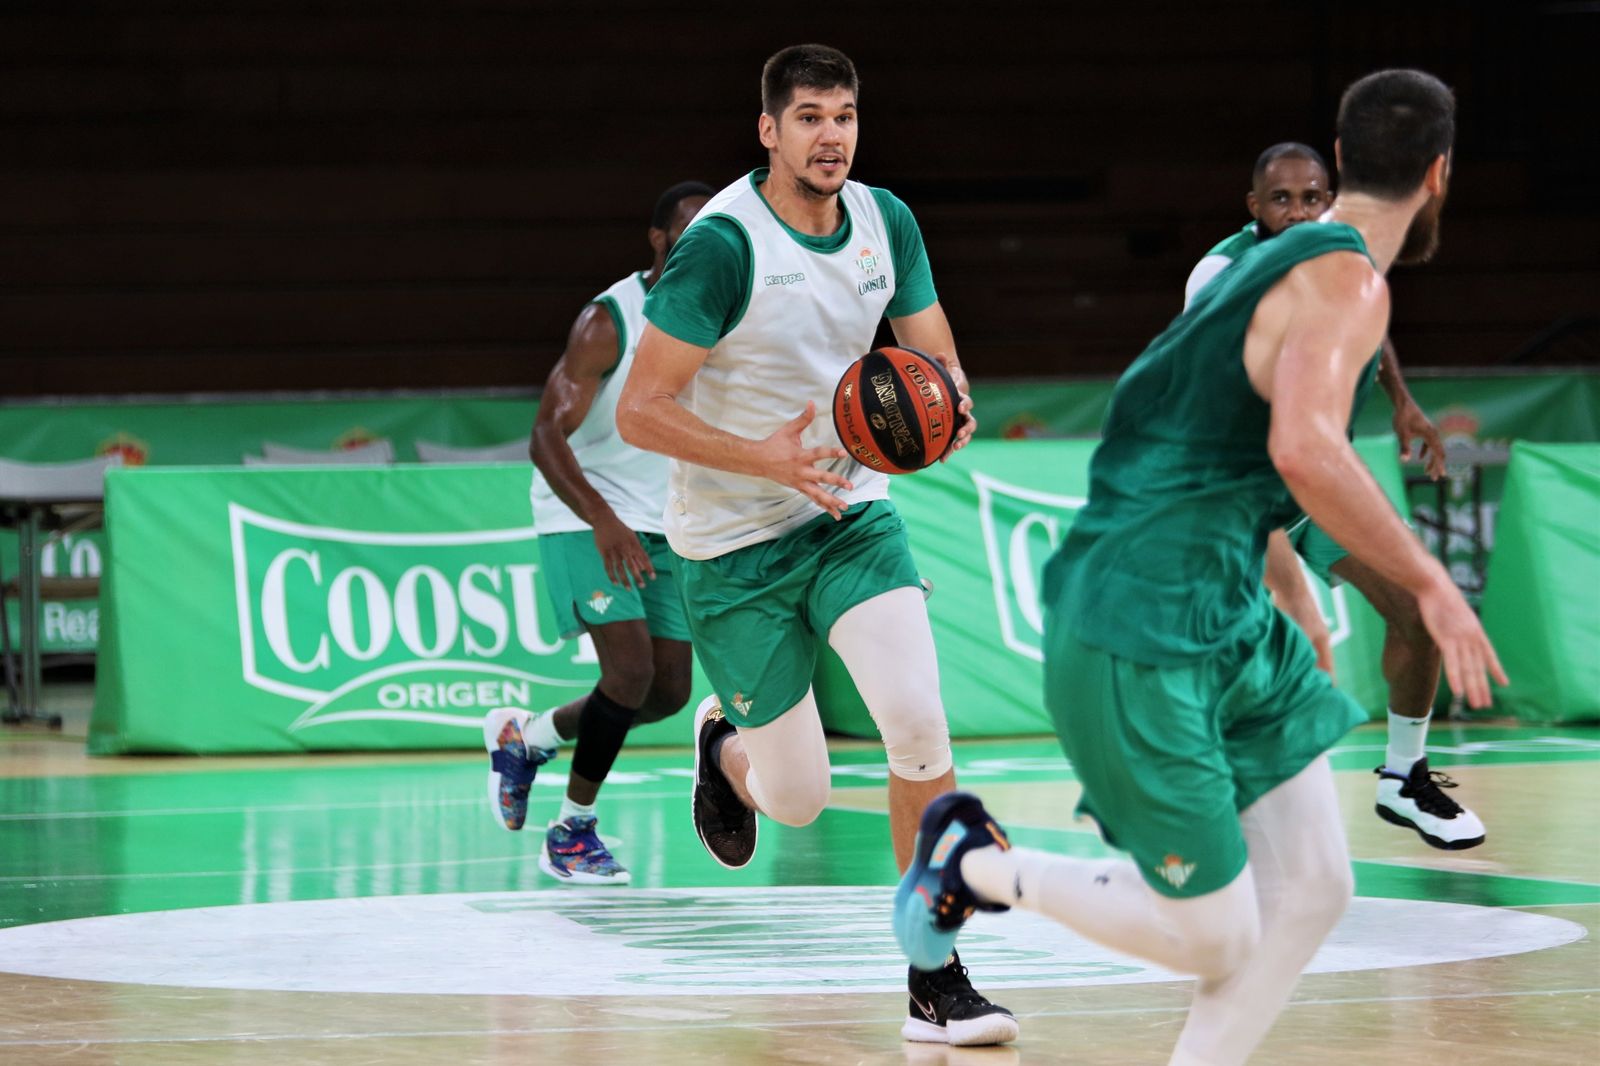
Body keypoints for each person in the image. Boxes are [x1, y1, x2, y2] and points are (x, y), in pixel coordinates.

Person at [896, 70, 1507, 1065]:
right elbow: (1305, 450)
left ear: (1341, 162)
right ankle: (972, 863)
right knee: (1212, 934)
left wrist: (1295, 598)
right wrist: (1432, 583)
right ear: (1439, 174)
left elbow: (1231, 452)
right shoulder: (1345, 280)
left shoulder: (1272, 266)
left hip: (1223, 603)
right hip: (1142, 613)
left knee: (1316, 888)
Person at [616, 44, 1016, 1048]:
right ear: (769, 130)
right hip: (731, 544)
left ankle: (934, 974)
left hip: (848, 517)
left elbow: (933, 353)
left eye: (843, 116)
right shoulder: (723, 245)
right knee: (796, 801)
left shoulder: (886, 220)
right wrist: (760, 456)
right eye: (808, 117)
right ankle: (724, 747)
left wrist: (951, 405)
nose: (830, 135)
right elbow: (639, 409)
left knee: (918, 728)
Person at [1189, 142, 1483, 850]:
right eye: (1281, 199)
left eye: (1311, 197)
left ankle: (1404, 778)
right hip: (1236, 485)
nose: (1298, 212)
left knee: (1419, 606)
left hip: (1320, 475)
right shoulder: (1220, 275)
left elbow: (1366, 319)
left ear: (1329, 200)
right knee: (1253, 653)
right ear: (1254, 207)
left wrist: (1402, 402)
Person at [482, 180, 711, 884]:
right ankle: (573, 831)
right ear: (658, 239)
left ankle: (528, 738)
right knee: (630, 671)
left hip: (662, 518)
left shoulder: (720, 319)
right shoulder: (609, 321)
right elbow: (545, 436)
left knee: (667, 691)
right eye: (688, 231)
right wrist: (603, 520)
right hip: (585, 511)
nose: (701, 243)